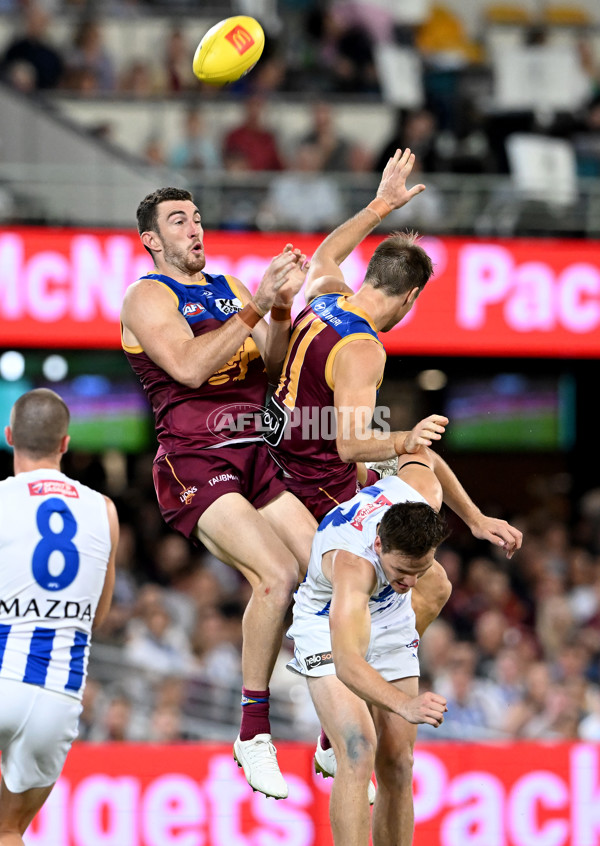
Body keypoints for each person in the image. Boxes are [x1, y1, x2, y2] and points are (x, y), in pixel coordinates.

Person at [265, 147, 523, 782]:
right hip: (316, 484)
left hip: (290, 452)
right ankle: (344, 694)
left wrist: (380, 206)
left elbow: (326, 251)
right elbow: (354, 445)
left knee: (422, 482)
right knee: (429, 582)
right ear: (409, 297)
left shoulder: (325, 292)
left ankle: (350, 683)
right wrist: (405, 433)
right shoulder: (363, 351)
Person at [120, 186, 320, 799]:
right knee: (277, 575)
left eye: (198, 219)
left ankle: (336, 730)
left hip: (256, 448)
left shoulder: (232, 286)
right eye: (179, 221)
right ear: (152, 239)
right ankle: (253, 733)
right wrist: (255, 307)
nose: (194, 229)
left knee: (332, 572)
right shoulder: (146, 295)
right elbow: (188, 367)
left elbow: (274, 361)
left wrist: (279, 308)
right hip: (194, 457)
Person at [286, 447, 522, 846]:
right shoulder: (353, 565)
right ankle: (337, 729)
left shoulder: (420, 496)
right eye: (402, 571)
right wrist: (403, 703)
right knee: (360, 748)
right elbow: (347, 663)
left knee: (398, 761)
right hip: (327, 622)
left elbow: (422, 454)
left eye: (420, 569)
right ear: (379, 546)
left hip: (388, 614)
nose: (411, 581)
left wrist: (476, 519)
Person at [0, 388, 118, 846]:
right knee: (9, 830)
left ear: (9, 437)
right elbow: (98, 615)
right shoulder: (104, 511)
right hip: (58, 692)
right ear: (65, 444)